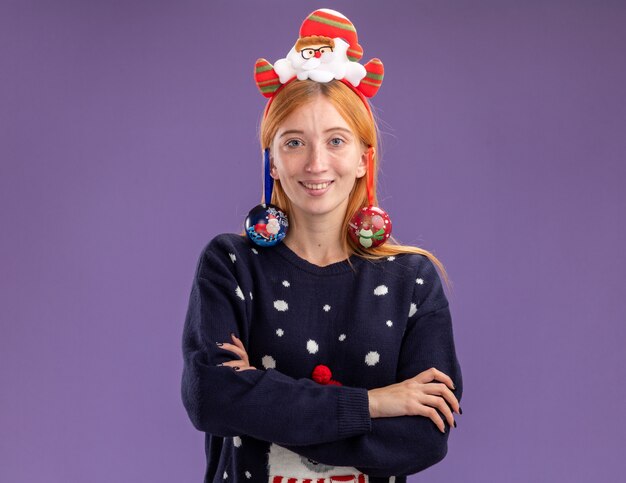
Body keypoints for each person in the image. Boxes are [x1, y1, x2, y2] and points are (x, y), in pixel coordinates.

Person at [181, 8, 463, 483]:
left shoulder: (412, 280)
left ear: (362, 158)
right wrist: (374, 402)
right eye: (294, 143)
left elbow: (422, 438)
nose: (315, 163)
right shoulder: (231, 265)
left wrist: (258, 398)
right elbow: (211, 398)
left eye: (336, 140)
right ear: (272, 161)